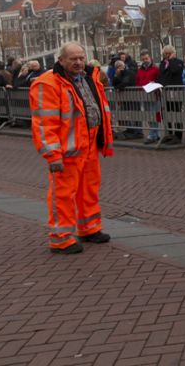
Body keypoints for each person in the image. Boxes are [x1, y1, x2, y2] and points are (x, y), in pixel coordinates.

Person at [29, 42, 114, 254]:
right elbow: (44, 123)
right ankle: (61, 238)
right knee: (63, 194)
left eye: (81, 58)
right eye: (73, 59)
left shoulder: (88, 77)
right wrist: (52, 154)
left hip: (89, 145)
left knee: (89, 189)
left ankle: (89, 228)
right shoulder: (47, 84)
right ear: (61, 60)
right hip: (67, 150)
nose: (78, 62)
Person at [157, 45, 184, 144]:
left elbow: (174, 70)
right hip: (165, 93)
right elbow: (161, 76)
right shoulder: (162, 63)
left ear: (173, 53)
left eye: (169, 54)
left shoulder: (179, 63)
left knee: (177, 114)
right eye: (165, 54)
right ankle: (169, 134)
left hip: (176, 92)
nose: (167, 56)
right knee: (166, 115)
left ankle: (178, 136)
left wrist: (172, 60)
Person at [136, 50, 160, 143]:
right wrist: (139, 88)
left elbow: (159, 79)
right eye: (143, 59)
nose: (145, 60)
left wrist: (155, 83)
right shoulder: (140, 70)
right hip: (144, 95)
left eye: (146, 58)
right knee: (148, 115)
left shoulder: (155, 69)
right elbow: (137, 81)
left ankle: (153, 135)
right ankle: (155, 134)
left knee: (154, 115)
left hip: (154, 95)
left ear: (150, 58)